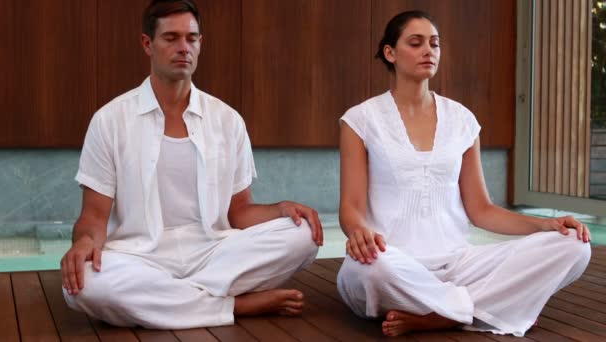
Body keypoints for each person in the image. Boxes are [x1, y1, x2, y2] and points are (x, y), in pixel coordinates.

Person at [61, 0, 322, 329]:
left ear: (200, 43)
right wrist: (84, 243)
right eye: (171, 38)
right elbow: (94, 217)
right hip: (140, 256)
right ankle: (233, 305)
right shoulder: (110, 120)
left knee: (303, 235)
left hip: (214, 253)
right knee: (83, 284)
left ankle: (174, 300)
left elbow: (239, 212)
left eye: (191, 38)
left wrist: (282, 208)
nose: (183, 48)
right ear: (147, 44)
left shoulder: (227, 120)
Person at [336, 10, 591, 337]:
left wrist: (547, 224)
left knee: (574, 246)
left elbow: (481, 210)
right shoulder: (360, 120)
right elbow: (351, 206)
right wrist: (358, 230)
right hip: (394, 263)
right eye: (416, 43)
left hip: (458, 267)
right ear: (390, 53)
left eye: (435, 44)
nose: (429, 50)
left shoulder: (462, 120)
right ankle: (483, 308)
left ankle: (444, 313)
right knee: (371, 273)